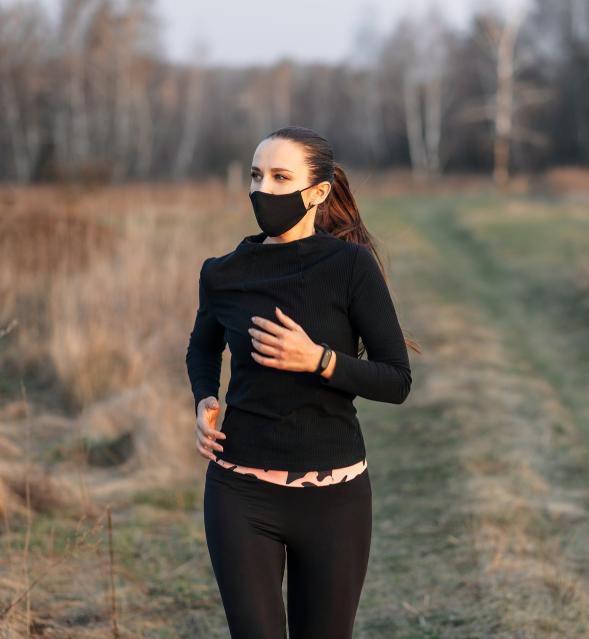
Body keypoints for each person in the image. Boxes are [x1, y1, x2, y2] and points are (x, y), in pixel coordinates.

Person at [185, 125, 417, 638]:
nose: (263, 190)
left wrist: (319, 361)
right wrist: (204, 397)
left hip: (334, 498)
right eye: (256, 175)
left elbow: (396, 379)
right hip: (239, 492)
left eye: (280, 177)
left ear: (317, 192)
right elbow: (202, 347)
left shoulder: (350, 267)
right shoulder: (222, 273)